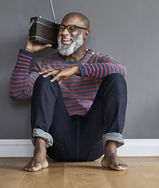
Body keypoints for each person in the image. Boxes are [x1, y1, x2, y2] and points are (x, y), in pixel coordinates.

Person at [9, 12, 128, 172]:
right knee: (44, 79)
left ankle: (111, 154)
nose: (64, 32)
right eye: (62, 28)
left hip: (92, 144)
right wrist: (28, 51)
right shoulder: (45, 64)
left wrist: (76, 69)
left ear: (86, 34)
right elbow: (18, 92)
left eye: (72, 28)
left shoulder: (98, 59)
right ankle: (39, 153)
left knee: (116, 78)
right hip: (58, 143)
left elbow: (121, 70)